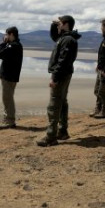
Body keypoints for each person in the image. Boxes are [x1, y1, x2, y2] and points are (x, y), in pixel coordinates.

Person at [36, 15, 82, 146]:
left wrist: (55, 77)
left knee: (54, 104)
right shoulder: (64, 38)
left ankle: (51, 136)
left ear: (66, 24)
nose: (58, 25)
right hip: (64, 74)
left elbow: (63, 61)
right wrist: (54, 25)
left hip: (61, 75)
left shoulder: (68, 40)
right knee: (62, 102)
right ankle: (62, 131)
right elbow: (54, 36)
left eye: (60, 23)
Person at [0, 26, 23, 129]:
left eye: (7, 34)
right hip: (10, 76)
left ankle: (10, 120)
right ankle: (7, 119)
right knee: (7, 98)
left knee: (7, 98)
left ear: (11, 34)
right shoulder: (14, 45)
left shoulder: (14, 46)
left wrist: (3, 43)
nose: (5, 36)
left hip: (9, 77)